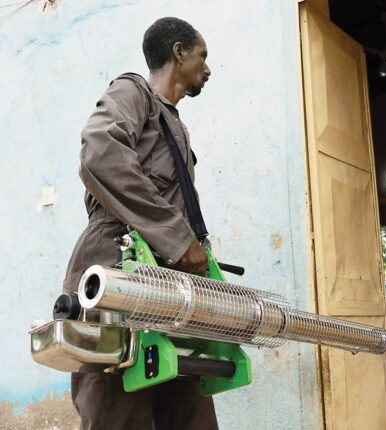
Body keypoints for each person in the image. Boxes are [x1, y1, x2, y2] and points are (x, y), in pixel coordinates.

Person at [62, 17, 217, 429]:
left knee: (190, 412)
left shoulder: (175, 126)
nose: (208, 69)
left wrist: (193, 251)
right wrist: (178, 240)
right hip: (118, 275)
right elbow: (100, 151)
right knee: (117, 413)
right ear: (178, 52)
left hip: (170, 291)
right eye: (202, 56)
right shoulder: (133, 92)